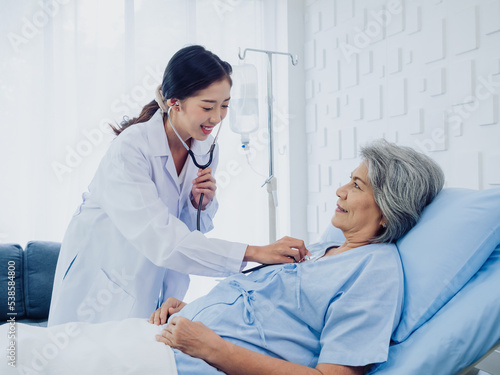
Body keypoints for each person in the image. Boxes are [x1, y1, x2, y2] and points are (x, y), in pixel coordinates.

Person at [3, 140, 444, 375]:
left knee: (23, 359)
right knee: (17, 346)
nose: (340, 190)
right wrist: (189, 311)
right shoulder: (322, 252)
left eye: (357, 185)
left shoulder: (375, 271)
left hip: (179, 362)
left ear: (387, 212)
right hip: (163, 339)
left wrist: (209, 346)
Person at [48, 45, 309, 327]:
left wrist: (201, 205)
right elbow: (161, 237)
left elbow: (186, 229)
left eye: (224, 105)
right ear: (175, 103)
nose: (218, 117)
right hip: (100, 277)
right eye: (208, 106)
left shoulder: (205, 149)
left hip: (147, 278)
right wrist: (255, 251)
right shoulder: (131, 148)